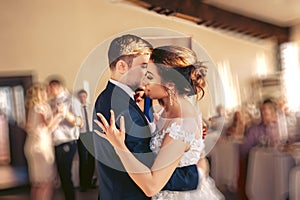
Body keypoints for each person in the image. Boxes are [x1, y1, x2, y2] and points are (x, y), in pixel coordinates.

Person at [95, 45, 224, 199]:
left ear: (169, 85)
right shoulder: (165, 112)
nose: (143, 81)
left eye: (149, 76)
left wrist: (120, 146)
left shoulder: (181, 125)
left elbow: (151, 186)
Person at [24, 83, 64, 200]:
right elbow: (47, 126)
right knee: (47, 182)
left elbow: (30, 126)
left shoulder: (31, 108)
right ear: (41, 94)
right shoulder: (42, 107)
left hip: (31, 146)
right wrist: (58, 114)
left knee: (37, 183)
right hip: (42, 146)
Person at [48, 78, 83, 200]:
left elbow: (80, 122)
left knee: (66, 176)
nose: (49, 92)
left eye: (50, 89)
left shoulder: (72, 100)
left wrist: (66, 114)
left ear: (57, 87)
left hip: (67, 142)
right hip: (56, 142)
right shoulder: (53, 102)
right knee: (62, 176)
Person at [77, 89, 96, 191]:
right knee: (83, 160)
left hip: (91, 134)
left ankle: (90, 182)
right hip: (82, 134)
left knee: (91, 159)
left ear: (86, 96)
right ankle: (83, 184)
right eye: (81, 97)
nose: (82, 98)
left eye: (84, 96)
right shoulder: (77, 108)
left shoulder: (91, 106)